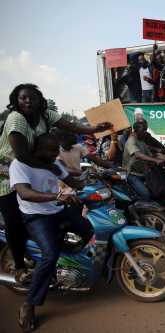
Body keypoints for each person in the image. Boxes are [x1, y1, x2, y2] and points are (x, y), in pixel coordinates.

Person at [0, 84, 110, 285]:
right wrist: (51, 168)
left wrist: (93, 129)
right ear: (16, 100)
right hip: (8, 172)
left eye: (32, 98)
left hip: (37, 166)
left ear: (39, 100)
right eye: (23, 98)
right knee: (14, 219)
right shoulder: (16, 119)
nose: (27, 101)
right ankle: (19, 266)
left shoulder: (44, 114)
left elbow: (72, 126)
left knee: (68, 205)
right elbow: (22, 155)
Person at [10, 133, 94, 332]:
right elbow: (24, 193)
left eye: (56, 149)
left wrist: (95, 178)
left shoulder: (53, 164)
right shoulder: (19, 164)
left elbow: (75, 183)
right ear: (38, 149)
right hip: (36, 216)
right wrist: (57, 195)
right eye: (51, 149)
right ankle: (29, 304)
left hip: (57, 209)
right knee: (50, 254)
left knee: (88, 229)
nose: (55, 153)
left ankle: (72, 268)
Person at [123, 121, 165, 200]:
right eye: (142, 131)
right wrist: (156, 160)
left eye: (145, 130)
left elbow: (149, 154)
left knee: (158, 190)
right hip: (132, 174)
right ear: (136, 131)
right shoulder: (131, 141)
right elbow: (138, 155)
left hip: (143, 172)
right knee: (146, 194)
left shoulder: (141, 140)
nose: (145, 133)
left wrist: (164, 156)